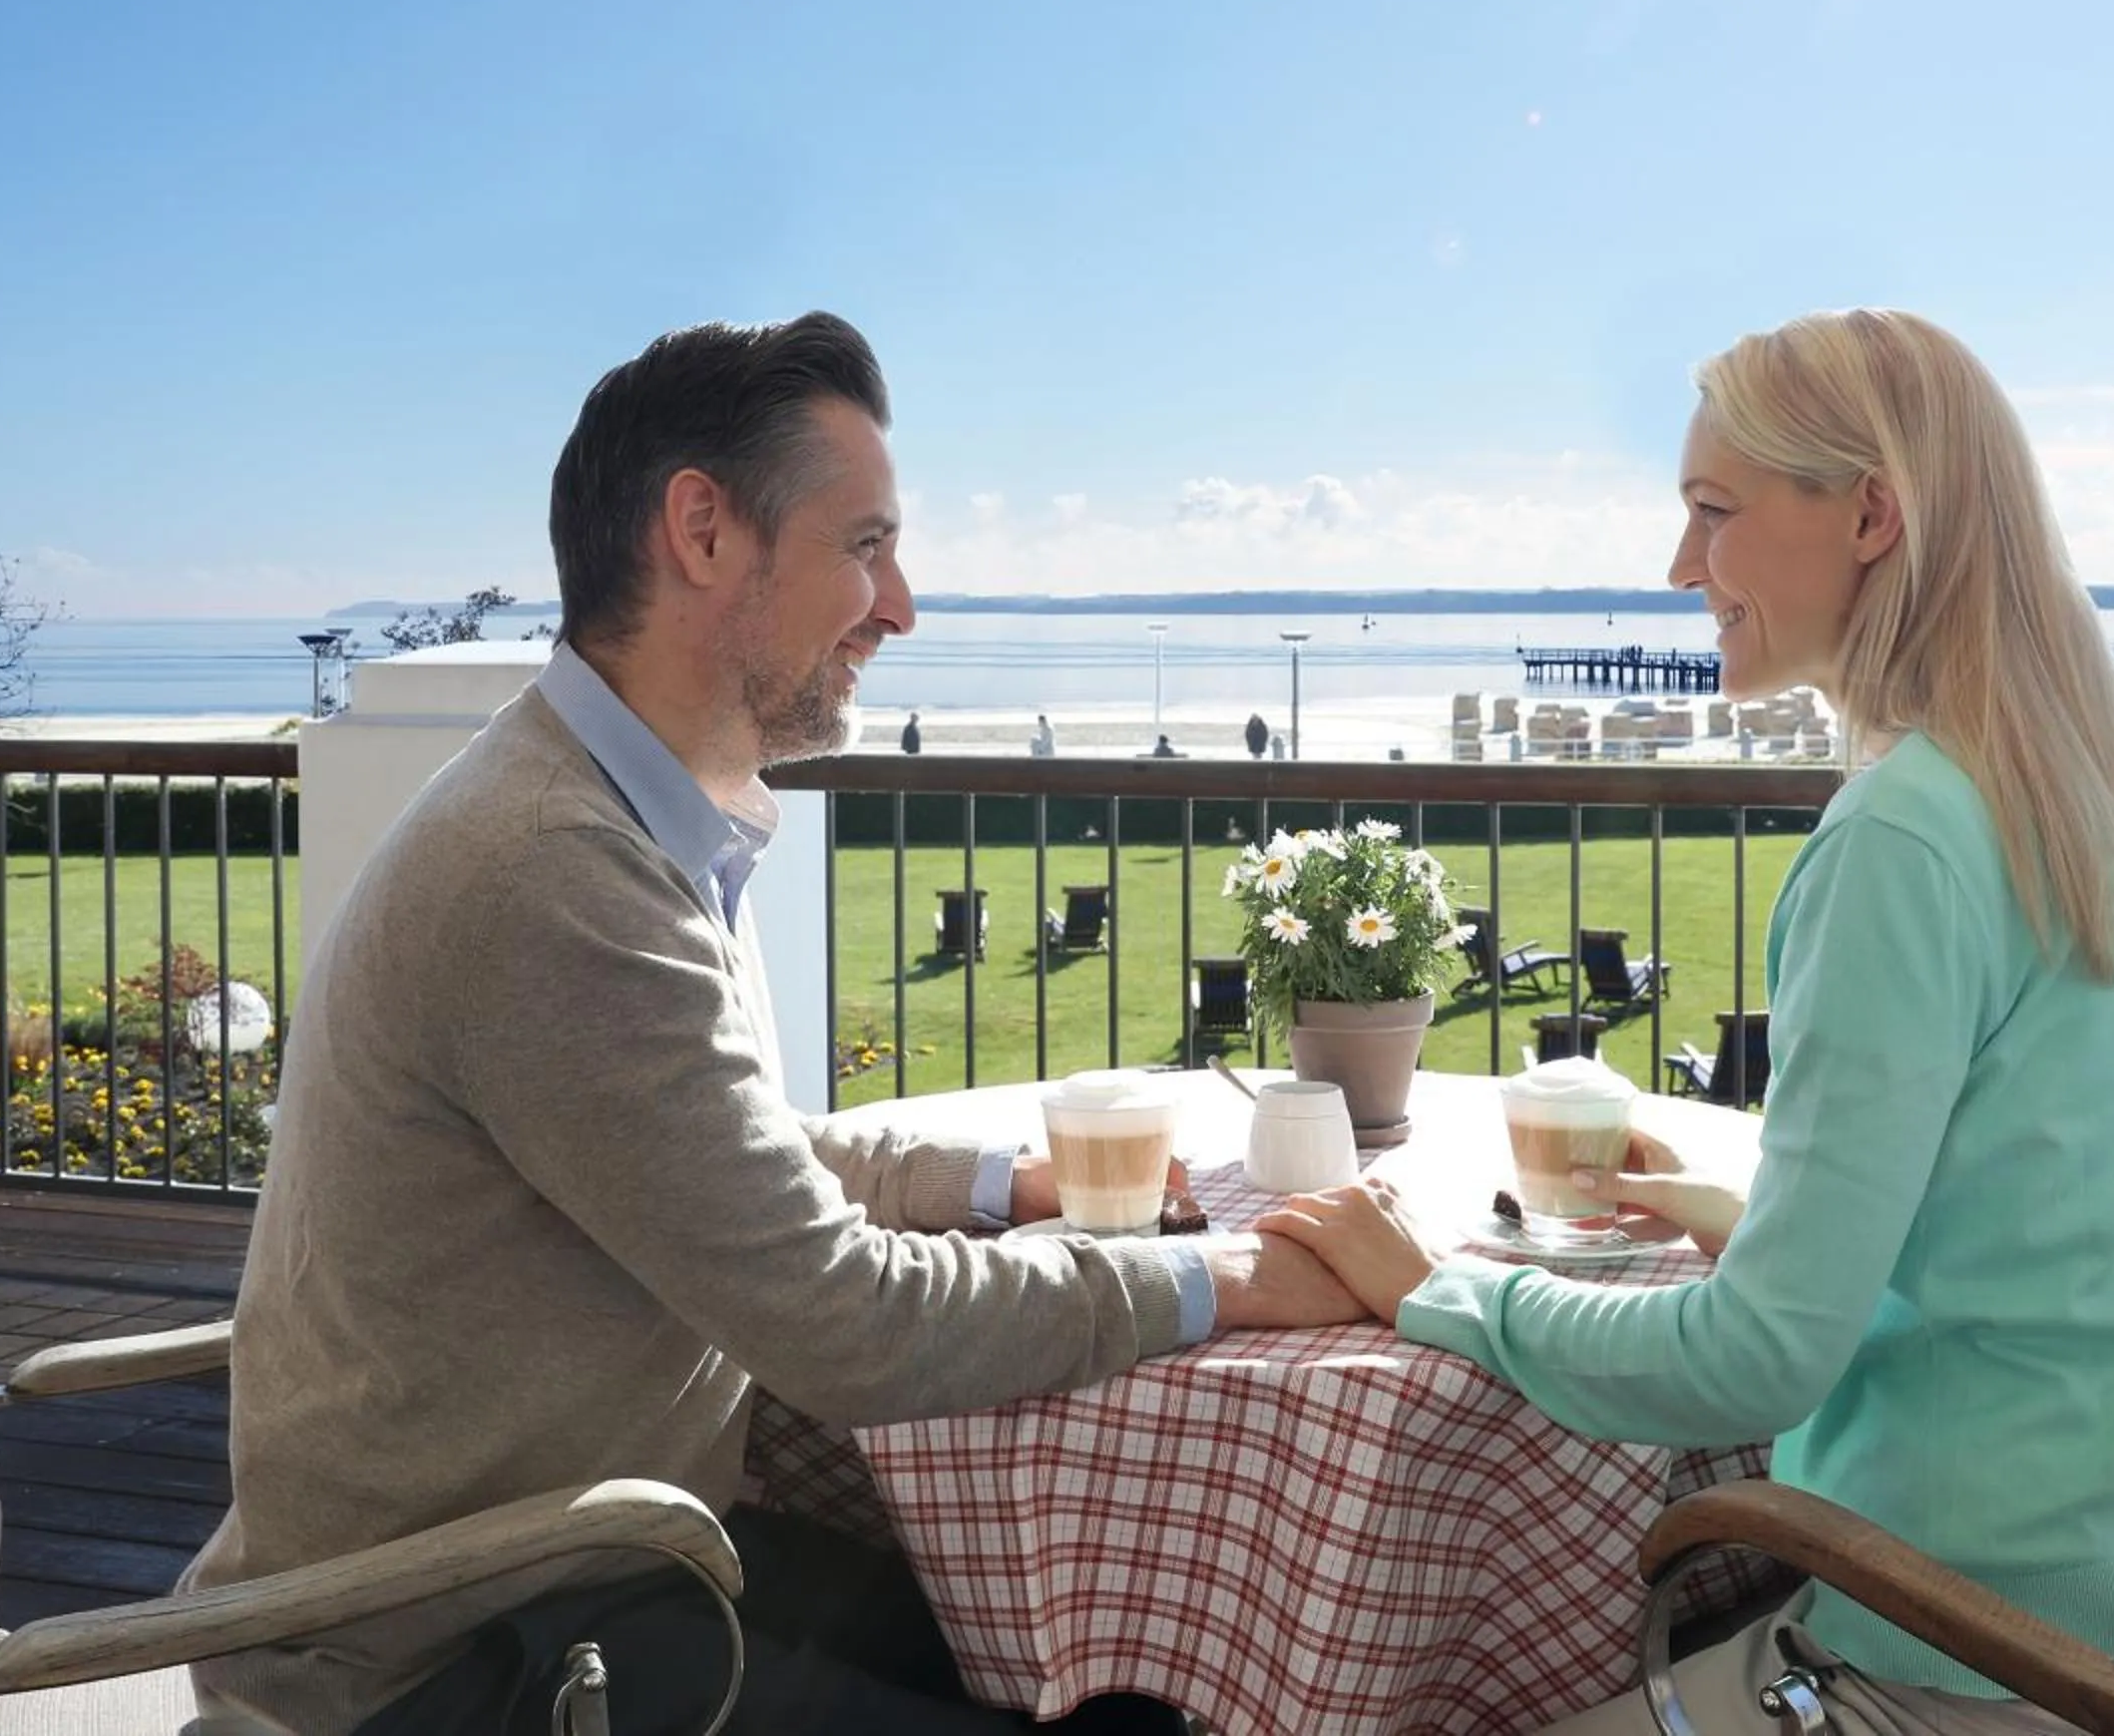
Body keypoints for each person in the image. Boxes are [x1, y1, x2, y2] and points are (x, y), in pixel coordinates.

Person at [186, 313, 1361, 1736]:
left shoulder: (619, 814)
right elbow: (845, 1322)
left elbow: (727, 1157)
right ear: (702, 531)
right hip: (453, 1658)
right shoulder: (552, 872)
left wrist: (1003, 1186)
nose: (903, 605)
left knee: (1062, 1653)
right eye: (864, 544)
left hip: (584, 1573)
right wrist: (1226, 1280)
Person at [1257, 310, 2114, 1735]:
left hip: (1982, 1660)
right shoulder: (2094, 791)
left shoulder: (1906, 836)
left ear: (1872, 512)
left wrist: (1436, 1289)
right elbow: (2039, 1209)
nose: (1681, 565)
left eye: (1712, 510)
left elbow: (1758, 1362)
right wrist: (1756, 1209)